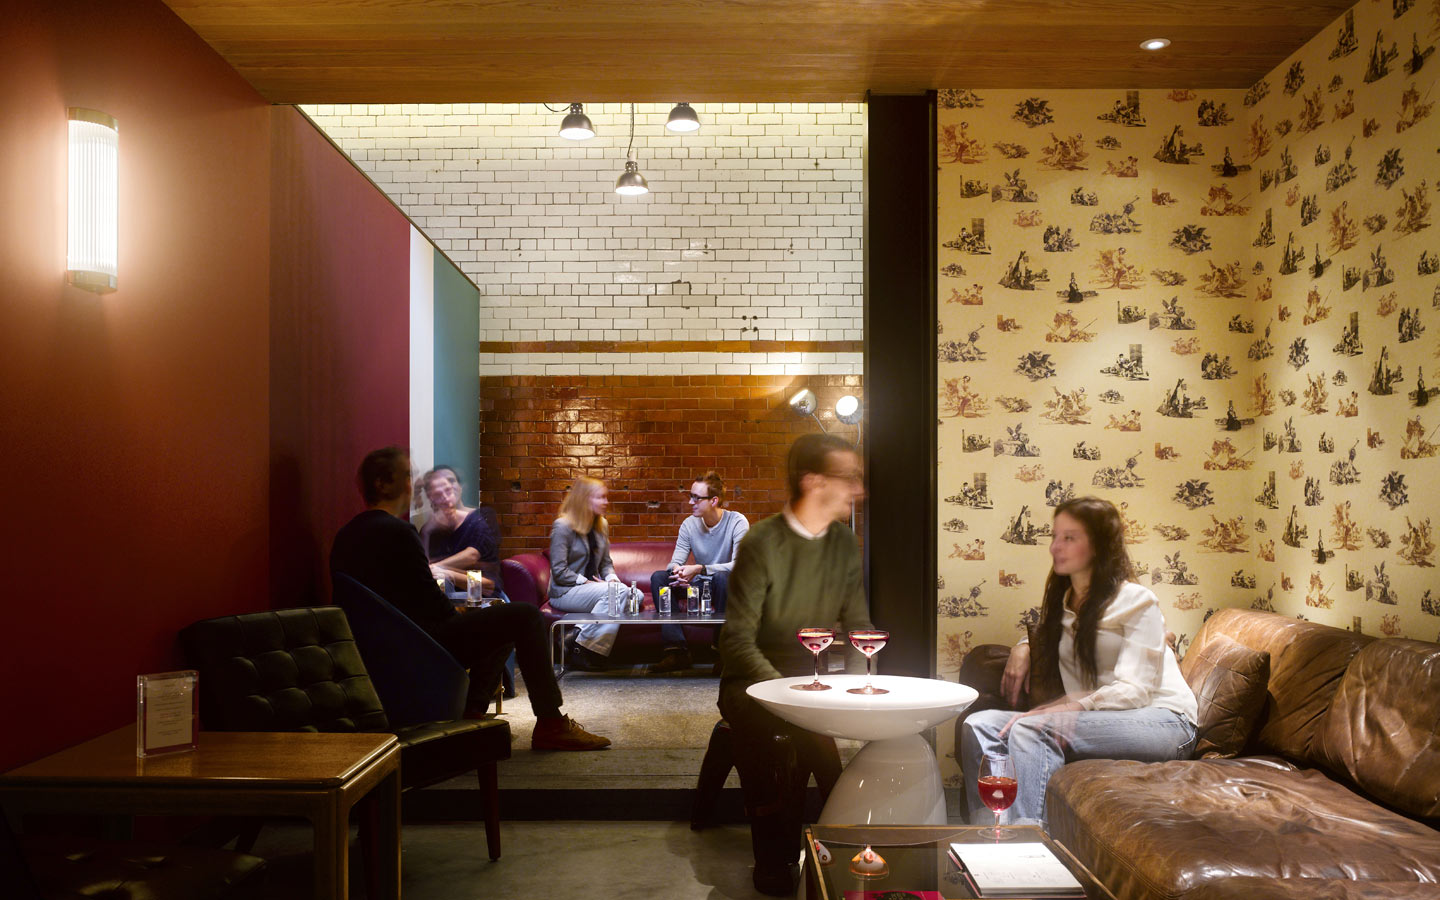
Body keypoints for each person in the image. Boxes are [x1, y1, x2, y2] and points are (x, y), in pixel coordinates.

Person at [331, 447, 610, 751]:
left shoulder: (346, 535)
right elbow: (431, 603)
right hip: (424, 644)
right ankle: (550, 724)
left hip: (386, 646)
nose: (415, 483)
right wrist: (460, 615)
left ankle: (472, 716)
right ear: (383, 484)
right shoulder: (399, 532)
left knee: (499, 617)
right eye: (407, 475)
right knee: (524, 616)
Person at [958, 497, 1197, 829]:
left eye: (1069, 538)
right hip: (1105, 719)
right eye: (1055, 536)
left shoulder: (1136, 601)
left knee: (1033, 728)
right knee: (979, 725)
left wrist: (1073, 706)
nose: (1056, 546)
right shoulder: (1064, 603)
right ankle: (991, 831)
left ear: (1098, 546)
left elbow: (1137, 690)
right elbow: (1061, 635)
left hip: (1165, 720)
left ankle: (1028, 841)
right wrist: (1024, 646)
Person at [718, 433, 871, 896]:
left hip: (814, 679)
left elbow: (859, 626)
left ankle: (842, 846)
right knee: (794, 746)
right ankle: (775, 855)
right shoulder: (762, 541)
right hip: (752, 680)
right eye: (848, 478)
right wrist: (786, 694)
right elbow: (736, 641)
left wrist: (860, 685)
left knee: (838, 745)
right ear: (813, 481)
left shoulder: (843, 542)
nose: (858, 489)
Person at [647, 472, 750, 674]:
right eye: (691, 496)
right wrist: (677, 572)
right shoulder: (689, 524)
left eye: (696, 498)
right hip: (699, 585)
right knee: (659, 578)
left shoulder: (737, 522)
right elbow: (675, 561)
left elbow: (739, 565)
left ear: (714, 500)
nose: (690, 502)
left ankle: (722, 652)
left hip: (724, 584)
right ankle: (676, 652)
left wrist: (700, 569)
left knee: (722, 578)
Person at [548, 477, 641, 671]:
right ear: (584, 499)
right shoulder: (563, 526)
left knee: (636, 596)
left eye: (606, 497)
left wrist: (612, 580)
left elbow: (606, 563)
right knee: (618, 594)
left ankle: (574, 636)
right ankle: (587, 651)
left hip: (592, 591)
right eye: (601, 497)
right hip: (566, 591)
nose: (606, 502)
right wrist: (587, 583)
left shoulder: (601, 525)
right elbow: (559, 571)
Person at [418, 466, 504, 599]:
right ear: (431, 497)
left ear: (460, 487)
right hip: (447, 595)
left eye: (451, 481)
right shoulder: (429, 529)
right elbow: (424, 570)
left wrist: (438, 568)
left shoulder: (482, 516)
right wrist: (427, 532)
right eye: (437, 492)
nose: (446, 494)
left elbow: (472, 555)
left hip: (482, 592)